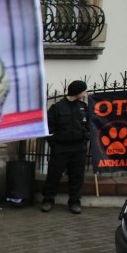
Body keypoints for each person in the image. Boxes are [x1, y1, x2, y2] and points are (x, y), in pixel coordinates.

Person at [41, 80, 93, 215]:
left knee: (77, 176)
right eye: (83, 91)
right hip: (61, 148)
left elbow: (88, 125)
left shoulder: (83, 107)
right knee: (54, 175)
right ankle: (48, 200)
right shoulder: (57, 108)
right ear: (77, 91)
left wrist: (85, 139)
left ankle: (75, 202)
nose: (85, 93)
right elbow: (49, 128)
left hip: (78, 148)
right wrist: (55, 144)